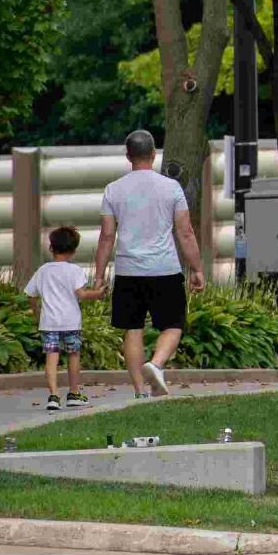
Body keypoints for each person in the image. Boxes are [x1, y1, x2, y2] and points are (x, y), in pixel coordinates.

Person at [93, 130, 204, 398]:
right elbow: (185, 232)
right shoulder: (171, 188)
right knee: (173, 324)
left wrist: (99, 275)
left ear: (128, 156)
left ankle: (140, 391)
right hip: (165, 268)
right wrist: (197, 268)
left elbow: (107, 236)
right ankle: (156, 364)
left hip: (128, 270)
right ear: (154, 154)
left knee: (133, 329)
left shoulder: (113, 190)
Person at [24, 226, 107, 410]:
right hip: (71, 322)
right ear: (74, 250)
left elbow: (30, 294)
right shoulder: (75, 270)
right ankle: (74, 393)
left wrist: (37, 312)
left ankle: (53, 396)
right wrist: (98, 294)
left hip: (49, 323)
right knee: (73, 355)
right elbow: (82, 294)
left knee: (51, 358)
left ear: (51, 248)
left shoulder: (43, 270)